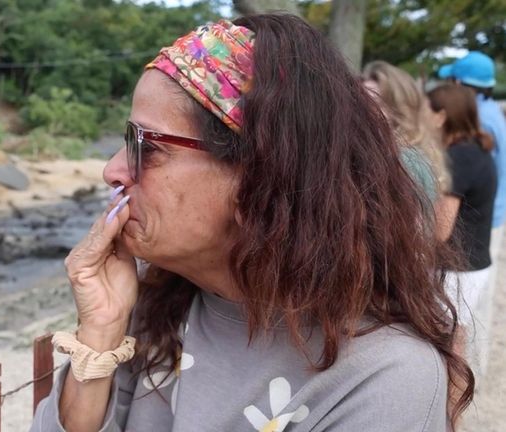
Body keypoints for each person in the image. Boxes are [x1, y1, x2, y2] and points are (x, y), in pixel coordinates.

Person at [32, 15, 473, 432]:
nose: (113, 170)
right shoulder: (156, 302)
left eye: (146, 145)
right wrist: (101, 335)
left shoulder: (385, 378)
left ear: (259, 176)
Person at [438, 51, 506, 376]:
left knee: (458, 328)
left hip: (477, 222)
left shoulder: (480, 122)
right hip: (488, 216)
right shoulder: (491, 115)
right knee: (463, 324)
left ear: (460, 86)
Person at [427, 83, 497, 378]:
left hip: (457, 269)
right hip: (471, 264)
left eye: (425, 111)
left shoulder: (459, 158)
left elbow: (439, 229)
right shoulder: (478, 150)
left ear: (442, 116)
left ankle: (447, 416)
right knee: (455, 340)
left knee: (447, 346)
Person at [362, 60, 450, 203]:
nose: (364, 110)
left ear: (399, 110)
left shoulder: (407, 163)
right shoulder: (386, 154)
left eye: (375, 103)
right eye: (360, 102)